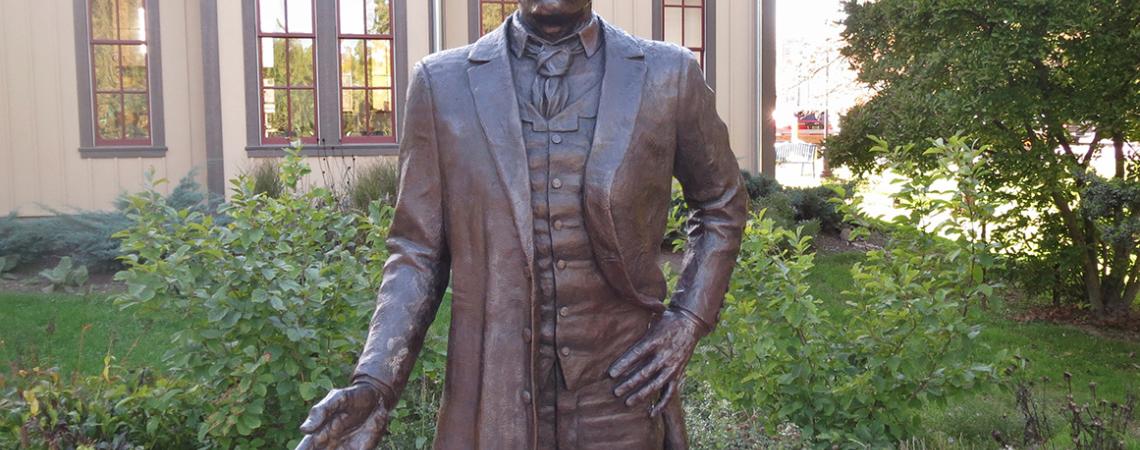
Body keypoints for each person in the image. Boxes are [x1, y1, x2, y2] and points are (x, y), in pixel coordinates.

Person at [296, 0, 747, 448]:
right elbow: (417, 252)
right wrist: (376, 382)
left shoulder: (669, 75)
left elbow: (721, 202)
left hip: (620, 394)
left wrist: (688, 319)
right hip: (496, 393)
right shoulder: (442, 84)